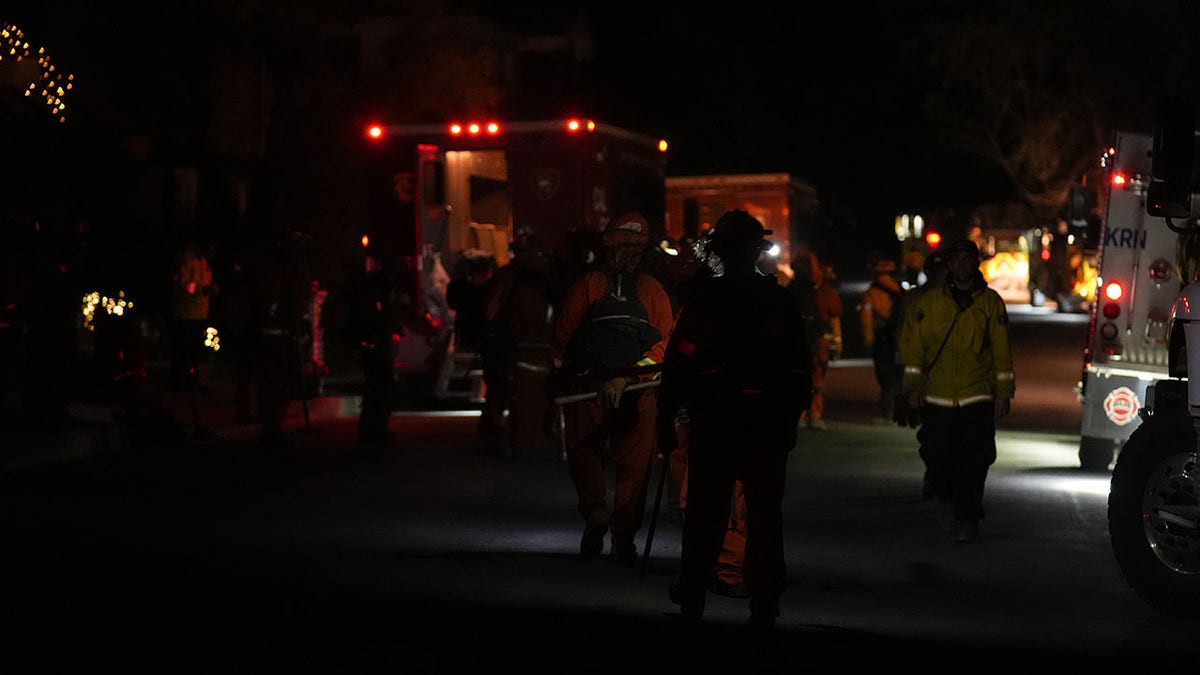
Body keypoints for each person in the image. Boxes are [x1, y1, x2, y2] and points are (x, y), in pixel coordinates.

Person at [658, 209, 812, 633]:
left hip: (717, 424)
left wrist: (667, 415)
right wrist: (790, 420)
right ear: (756, 252)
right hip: (765, 427)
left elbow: (679, 361)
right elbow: (800, 366)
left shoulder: (706, 299)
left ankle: (692, 594)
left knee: (706, 513)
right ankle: (764, 601)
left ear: (723, 251)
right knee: (764, 516)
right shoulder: (778, 299)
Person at [550, 212, 675, 566]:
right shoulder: (653, 290)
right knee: (634, 468)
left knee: (584, 451)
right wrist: (635, 378)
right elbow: (665, 343)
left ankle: (595, 510)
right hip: (638, 393)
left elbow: (562, 334)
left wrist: (558, 373)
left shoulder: (588, 283)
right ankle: (623, 540)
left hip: (588, 388)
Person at [899, 238, 1014, 543]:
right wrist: (912, 387)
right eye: (957, 259)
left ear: (976, 263)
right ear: (949, 264)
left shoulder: (990, 303)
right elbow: (915, 349)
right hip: (937, 395)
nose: (962, 264)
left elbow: (1002, 351)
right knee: (937, 456)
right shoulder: (930, 303)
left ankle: (968, 518)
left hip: (977, 394)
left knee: (975, 460)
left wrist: (1004, 392)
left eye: (968, 259)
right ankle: (946, 501)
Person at [479, 227, 557, 457]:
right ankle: (516, 436)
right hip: (517, 349)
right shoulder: (510, 280)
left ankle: (522, 436)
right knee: (511, 393)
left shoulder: (539, 283)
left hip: (529, 350)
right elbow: (491, 313)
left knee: (526, 395)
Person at [897, 249, 949, 497]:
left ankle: (943, 479)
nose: (939, 274)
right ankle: (936, 477)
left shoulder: (958, 299)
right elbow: (904, 337)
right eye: (936, 270)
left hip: (952, 377)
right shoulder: (914, 299)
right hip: (926, 378)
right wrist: (907, 384)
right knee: (931, 434)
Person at [858, 251, 904, 424]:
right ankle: (898, 411)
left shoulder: (871, 294)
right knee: (898, 375)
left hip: (883, 340)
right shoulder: (899, 290)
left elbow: (866, 319)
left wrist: (868, 340)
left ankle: (888, 414)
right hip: (899, 339)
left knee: (885, 376)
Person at [168, 239, 216, 390]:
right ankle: (181, 381)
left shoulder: (204, 262)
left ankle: (193, 381)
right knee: (184, 350)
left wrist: (209, 290)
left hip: (200, 313)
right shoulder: (188, 259)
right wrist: (202, 290)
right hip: (186, 313)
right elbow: (183, 283)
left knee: (195, 351)